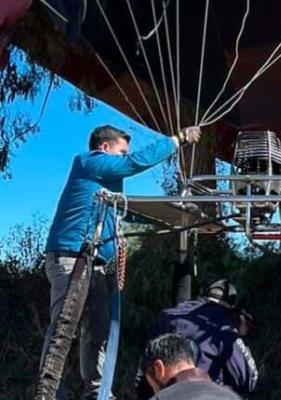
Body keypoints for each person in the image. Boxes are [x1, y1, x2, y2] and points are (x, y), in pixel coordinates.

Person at [39, 125, 196, 398]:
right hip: (71, 258)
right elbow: (133, 163)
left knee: (97, 329)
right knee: (64, 327)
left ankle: (97, 393)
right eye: (121, 151)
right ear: (104, 148)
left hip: (93, 263)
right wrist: (176, 141)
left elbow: (125, 212)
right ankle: (46, 393)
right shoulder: (88, 162)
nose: (124, 157)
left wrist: (170, 218)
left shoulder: (103, 187)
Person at [137, 279, 259, 398]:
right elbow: (249, 381)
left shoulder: (167, 316)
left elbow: (145, 366)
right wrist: (241, 336)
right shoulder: (223, 325)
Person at [140, 333, 242, 400]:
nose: (153, 390)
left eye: (151, 384)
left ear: (158, 367)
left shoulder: (162, 398)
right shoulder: (232, 397)